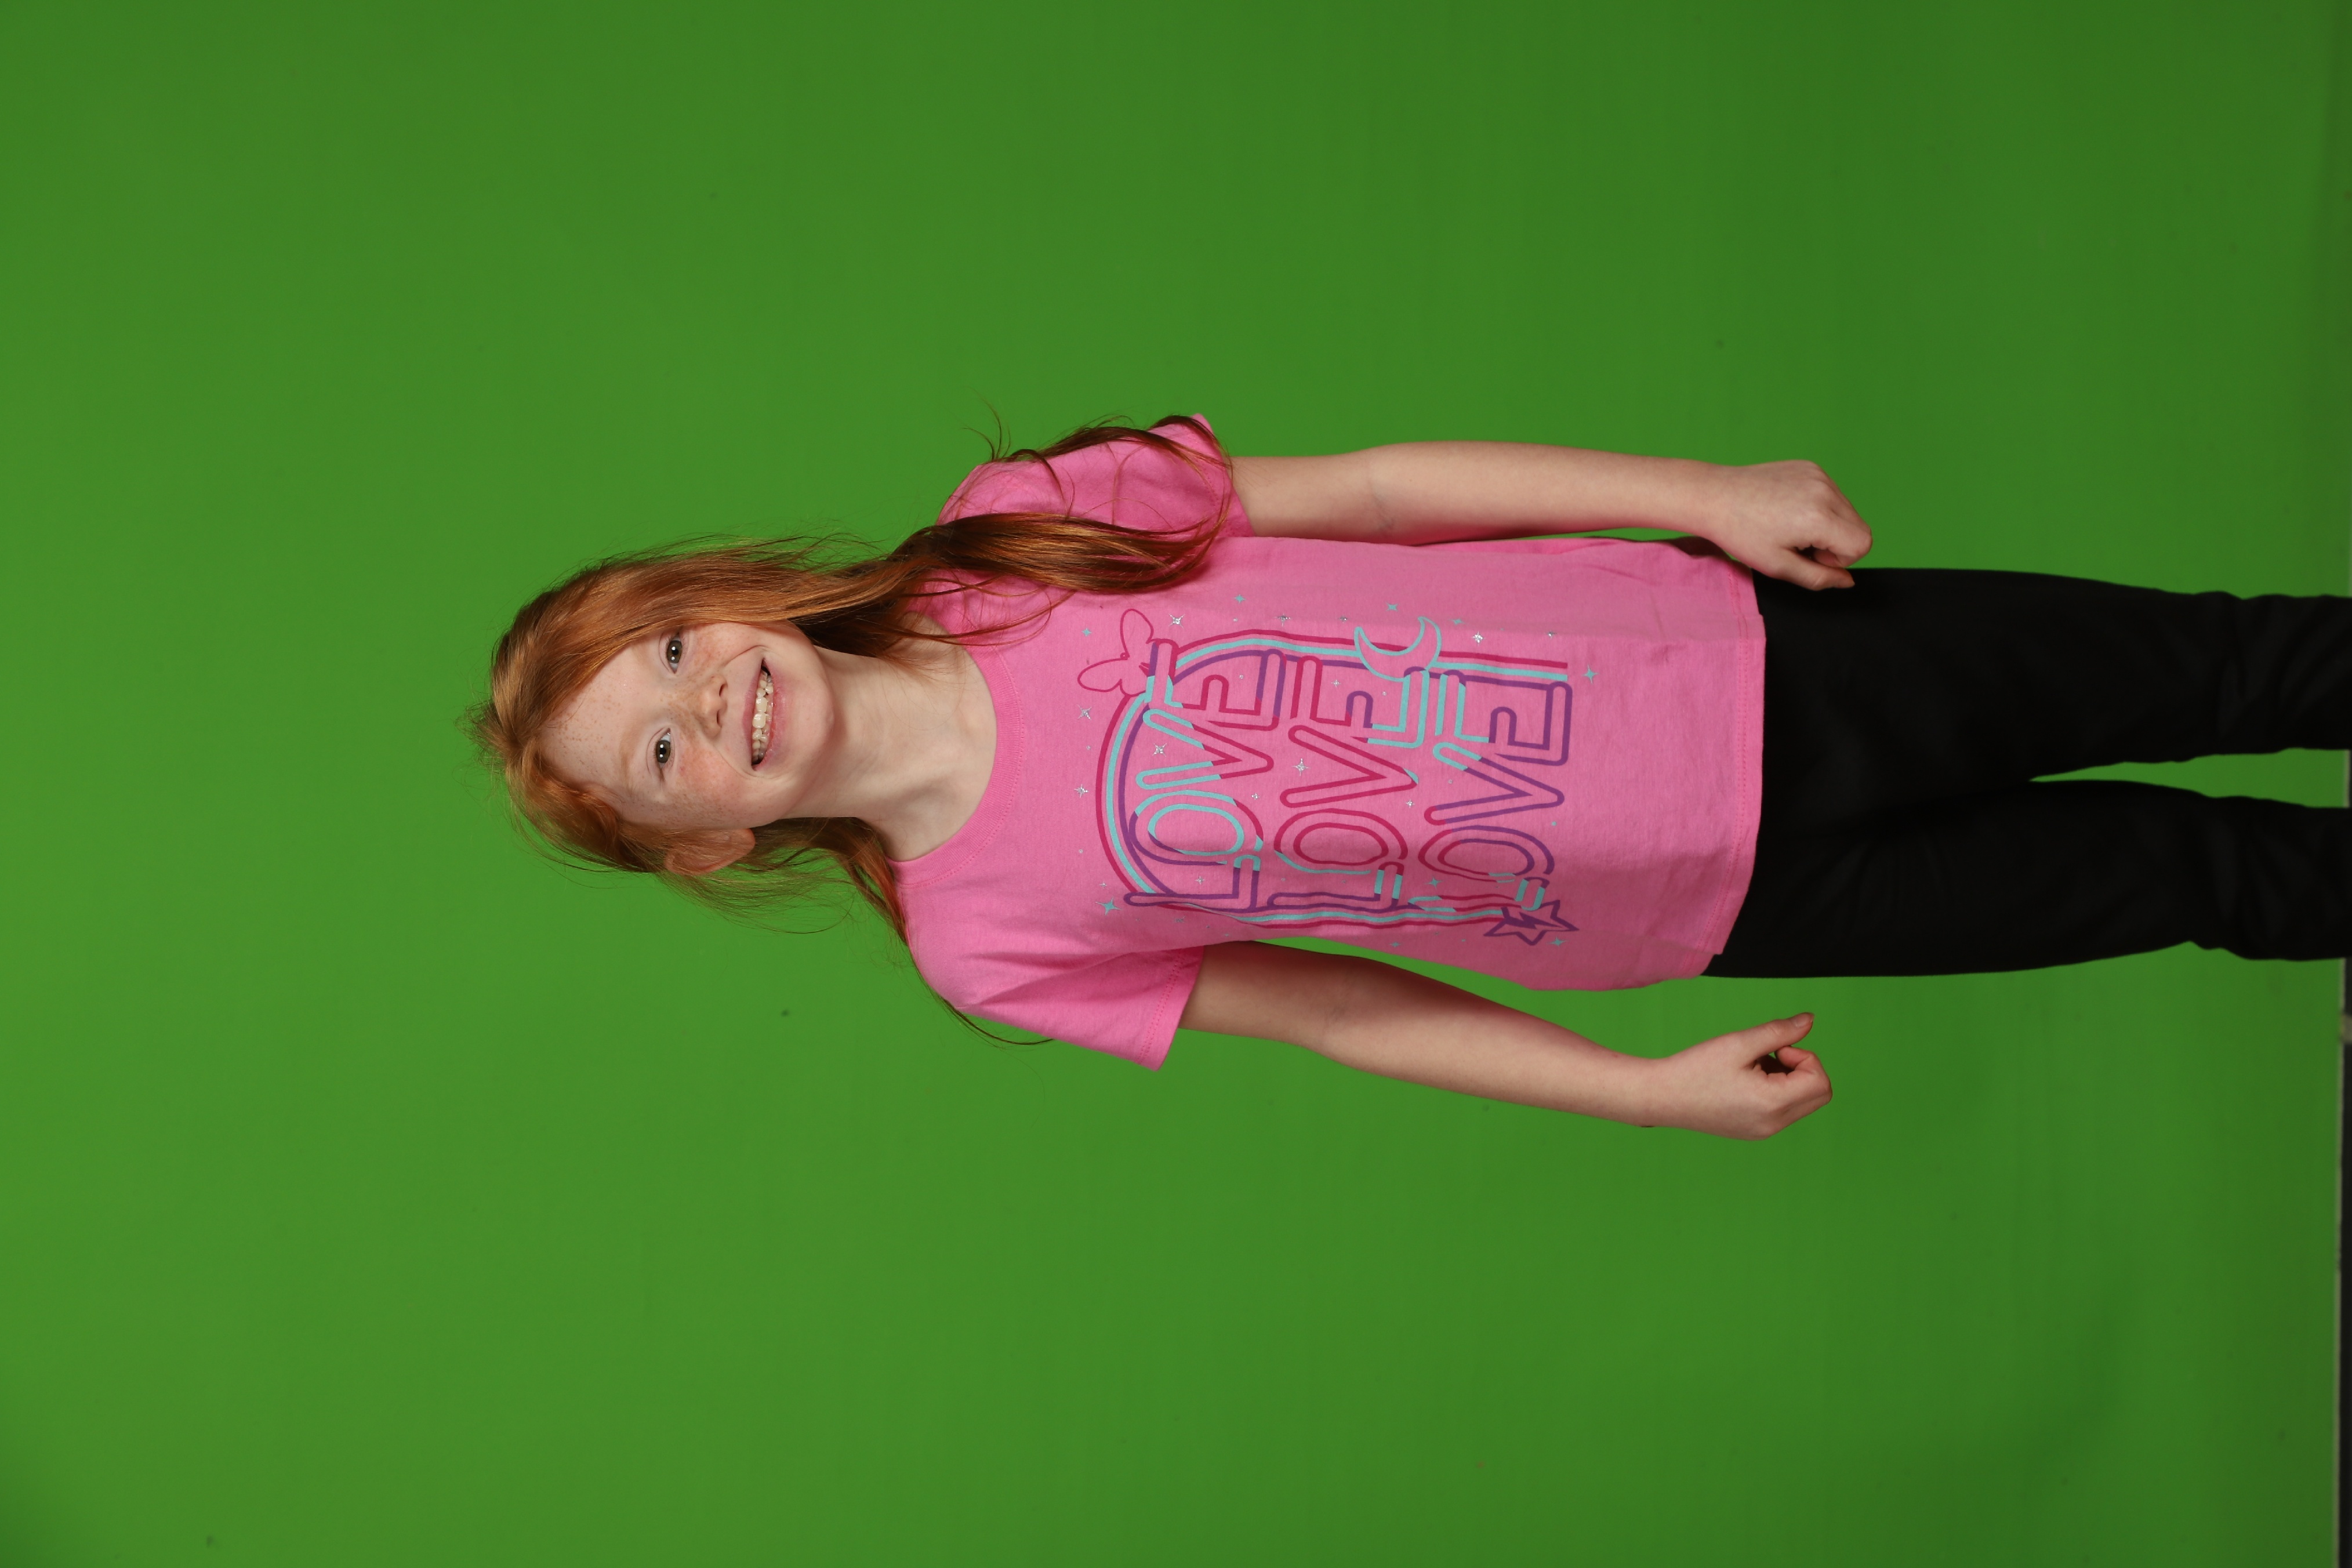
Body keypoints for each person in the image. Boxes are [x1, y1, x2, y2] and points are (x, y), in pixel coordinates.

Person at [472, 416, 2352, 1139]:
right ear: (704, 840)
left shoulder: (1018, 531)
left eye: (673, 646)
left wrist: (1697, 495)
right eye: (660, 750)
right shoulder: (986, 943)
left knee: (2231, 664)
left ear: (722, 599)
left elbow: (1375, 494)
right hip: (1730, 899)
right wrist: (1637, 1093)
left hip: (1758, 653)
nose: (708, 698)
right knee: (2199, 878)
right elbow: (1345, 1012)